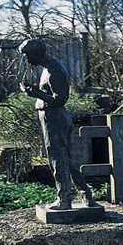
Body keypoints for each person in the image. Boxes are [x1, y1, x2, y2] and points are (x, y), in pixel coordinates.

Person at [18, 39, 95, 210]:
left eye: (27, 55)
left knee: (57, 159)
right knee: (65, 159)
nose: (26, 59)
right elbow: (51, 93)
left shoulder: (54, 70)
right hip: (52, 117)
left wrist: (34, 93)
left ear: (37, 53)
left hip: (54, 118)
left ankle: (64, 200)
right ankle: (87, 197)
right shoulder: (48, 68)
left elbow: (60, 99)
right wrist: (37, 91)